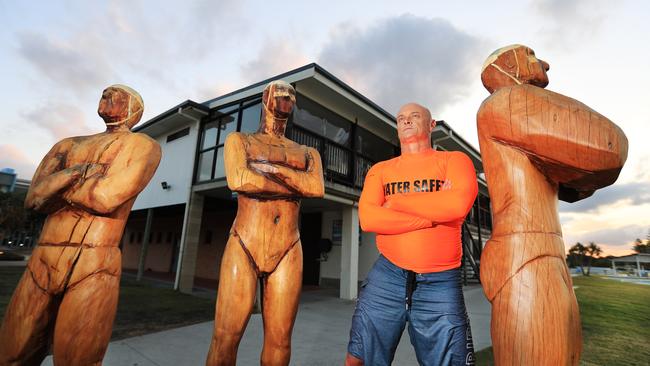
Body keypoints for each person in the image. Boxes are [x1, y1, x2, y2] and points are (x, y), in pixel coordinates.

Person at [477, 44, 627, 365]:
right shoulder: (507, 102)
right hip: (530, 257)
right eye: (529, 55)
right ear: (506, 65)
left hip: (543, 252)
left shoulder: (516, 113)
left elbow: (575, 187)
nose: (544, 62)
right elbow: (608, 146)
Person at [0, 85, 161, 365]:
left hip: (93, 261)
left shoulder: (142, 146)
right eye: (104, 92)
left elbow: (105, 198)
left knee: (77, 358)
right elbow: (34, 198)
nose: (107, 95)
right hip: (43, 258)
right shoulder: (67, 145)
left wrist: (58, 188)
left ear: (134, 108)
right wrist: (79, 172)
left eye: (117, 94)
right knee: (12, 351)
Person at [346, 102, 478, 366]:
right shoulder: (381, 170)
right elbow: (368, 218)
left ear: (431, 125)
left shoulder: (455, 160)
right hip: (387, 275)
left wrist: (394, 204)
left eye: (414, 116)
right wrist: (433, 214)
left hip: (440, 282)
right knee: (357, 359)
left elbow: (457, 205)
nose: (406, 120)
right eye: (401, 118)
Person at [206, 80, 324, 366]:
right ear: (265, 97)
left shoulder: (308, 152)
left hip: (288, 247)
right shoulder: (240, 141)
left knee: (280, 339)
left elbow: (316, 189)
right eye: (280, 94)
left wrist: (268, 171)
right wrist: (294, 182)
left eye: (292, 96)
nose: (287, 100)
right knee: (226, 336)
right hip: (245, 242)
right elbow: (239, 179)